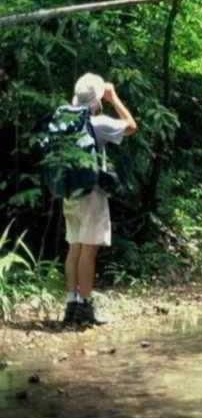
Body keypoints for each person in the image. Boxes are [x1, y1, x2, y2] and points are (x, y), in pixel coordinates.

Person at [62, 73, 137, 326]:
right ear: (96, 100)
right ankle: (85, 307)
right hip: (91, 194)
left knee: (74, 247)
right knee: (88, 250)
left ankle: (71, 304)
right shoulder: (98, 122)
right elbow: (131, 126)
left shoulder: (66, 121)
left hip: (69, 192)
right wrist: (113, 97)